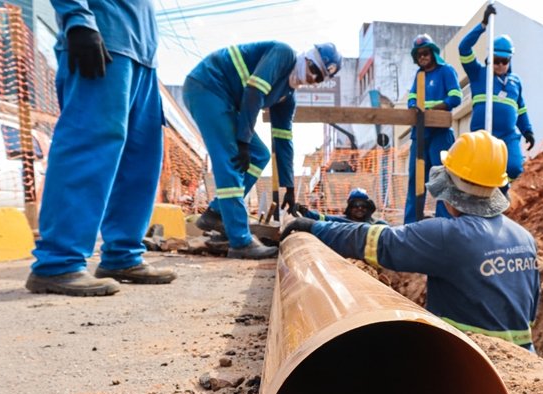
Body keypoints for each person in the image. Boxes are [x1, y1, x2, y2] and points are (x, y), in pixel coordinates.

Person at [282, 131, 540, 352]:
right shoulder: (524, 238)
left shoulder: (447, 236)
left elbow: (377, 242)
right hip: (525, 360)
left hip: (470, 361)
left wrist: (316, 227)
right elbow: (531, 310)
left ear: (451, 188)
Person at [26, 0, 176, 297]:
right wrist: (78, 18)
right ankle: (58, 263)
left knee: (139, 162)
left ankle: (123, 256)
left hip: (143, 55)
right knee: (89, 148)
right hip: (104, 37)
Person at [184, 41, 342, 259]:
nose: (313, 78)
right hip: (207, 87)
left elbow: (283, 139)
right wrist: (243, 141)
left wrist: (289, 186)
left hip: (225, 101)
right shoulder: (283, 54)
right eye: (314, 69)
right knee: (231, 160)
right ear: (307, 57)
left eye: (320, 78)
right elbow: (254, 91)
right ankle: (240, 241)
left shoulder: (287, 96)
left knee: (260, 155)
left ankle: (217, 213)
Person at [458, 5, 535, 192]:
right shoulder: (478, 74)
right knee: (480, 173)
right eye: (497, 60)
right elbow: (464, 48)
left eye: (504, 61)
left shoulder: (515, 82)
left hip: (507, 136)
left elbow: (521, 109)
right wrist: (483, 25)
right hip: (482, 134)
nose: (500, 65)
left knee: (515, 168)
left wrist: (528, 131)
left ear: (510, 60)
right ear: (490, 57)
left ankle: (501, 195)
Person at [404, 34, 462, 224]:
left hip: (440, 133)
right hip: (420, 133)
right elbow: (412, 98)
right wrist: (415, 106)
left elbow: (455, 97)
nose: (423, 57)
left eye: (425, 53)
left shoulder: (446, 71)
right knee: (415, 180)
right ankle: (411, 224)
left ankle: (444, 221)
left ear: (433, 53)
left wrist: (431, 109)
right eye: (419, 55)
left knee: (443, 178)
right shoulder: (419, 76)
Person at [296, 187, 388, 225]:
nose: (360, 208)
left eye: (363, 205)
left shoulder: (377, 224)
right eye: (356, 205)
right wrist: (303, 210)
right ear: (350, 207)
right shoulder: (341, 222)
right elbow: (321, 217)